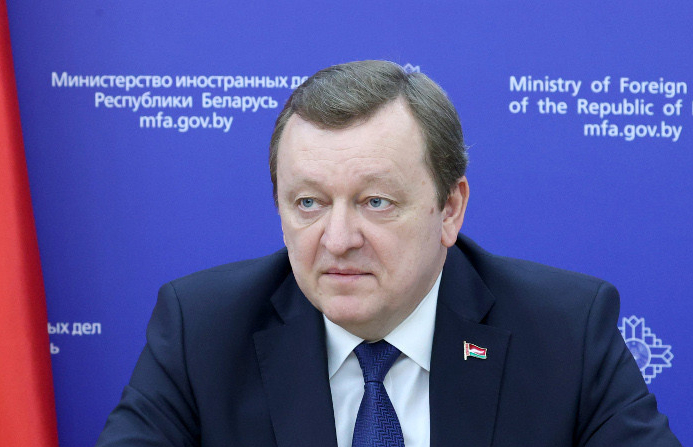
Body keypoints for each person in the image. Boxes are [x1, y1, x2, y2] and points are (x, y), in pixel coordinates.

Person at [96, 60, 681, 446]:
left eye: (375, 202)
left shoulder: (564, 332)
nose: (337, 239)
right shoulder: (202, 330)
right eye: (308, 203)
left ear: (449, 209)